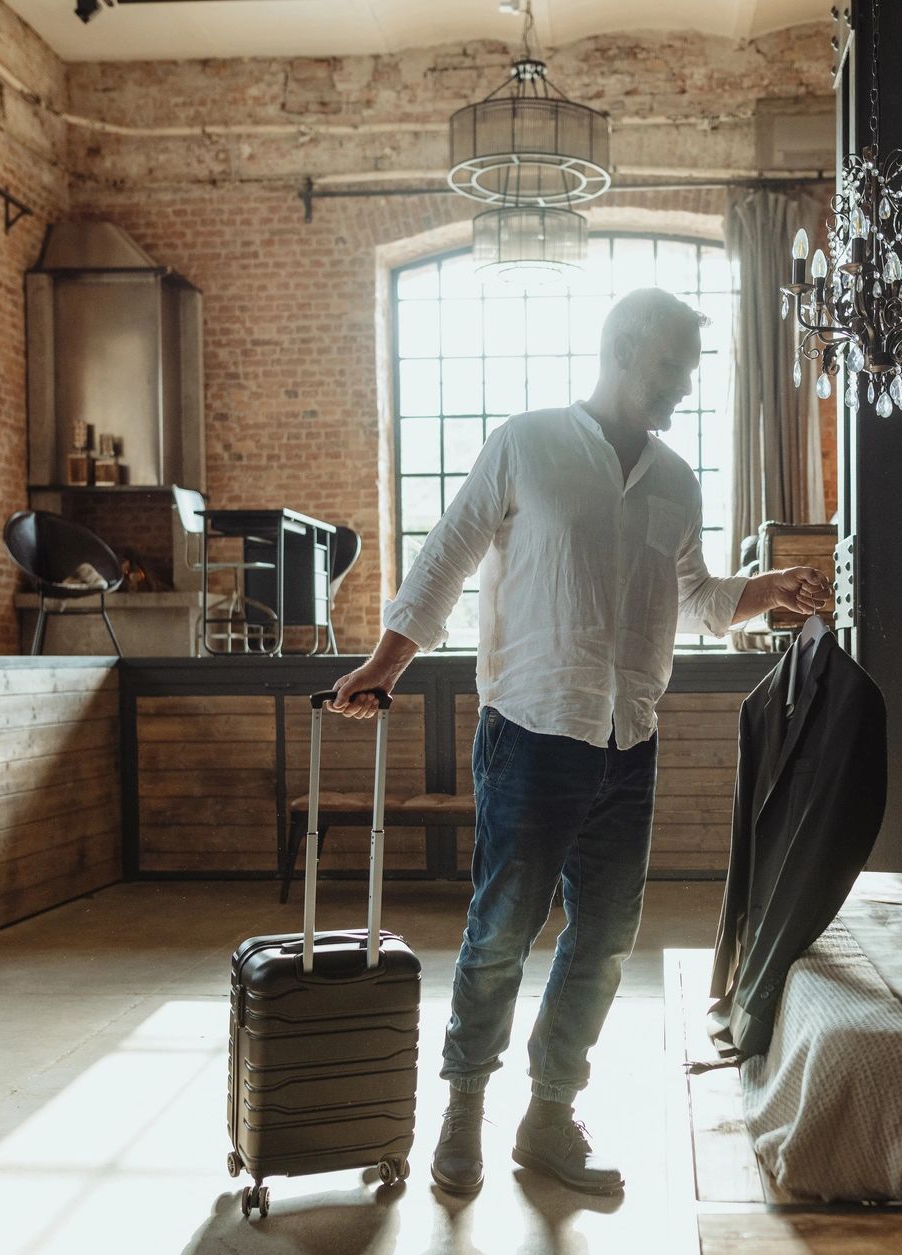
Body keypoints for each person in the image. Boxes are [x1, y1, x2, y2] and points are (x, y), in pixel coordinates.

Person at [326, 287, 830, 1197]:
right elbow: (444, 557)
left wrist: (770, 591)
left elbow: (703, 600)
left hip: (628, 743)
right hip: (528, 735)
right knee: (499, 939)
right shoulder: (526, 444)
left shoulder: (675, 480)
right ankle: (463, 1110)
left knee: (601, 942)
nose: (684, 383)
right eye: (675, 364)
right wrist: (384, 665)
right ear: (627, 351)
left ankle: (549, 1116)